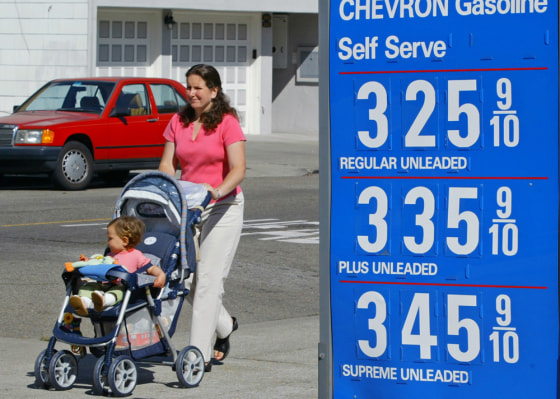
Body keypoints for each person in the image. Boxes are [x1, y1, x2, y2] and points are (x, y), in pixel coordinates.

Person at [158, 64, 245, 371]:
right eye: (188, 87)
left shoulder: (227, 122)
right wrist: (166, 187)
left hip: (223, 205)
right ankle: (224, 326)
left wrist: (215, 192)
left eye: (197, 87)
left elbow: (238, 169)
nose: (191, 93)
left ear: (213, 90)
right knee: (186, 276)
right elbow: (168, 164)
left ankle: (198, 354)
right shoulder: (178, 121)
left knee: (208, 280)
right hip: (188, 206)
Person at [69, 216, 166, 316]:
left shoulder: (136, 255)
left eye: (110, 238)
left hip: (122, 287)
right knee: (88, 286)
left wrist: (160, 274)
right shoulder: (110, 255)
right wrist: (88, 261)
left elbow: (151, 268)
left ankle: (104, 300)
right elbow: (100, 263)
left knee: (118, 291)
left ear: (124, 241)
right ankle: (85, 302)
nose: (107, 242)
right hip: (103, 285)